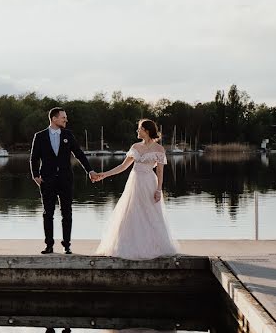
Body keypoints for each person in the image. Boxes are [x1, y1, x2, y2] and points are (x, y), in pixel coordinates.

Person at [92, 119, 179, 260]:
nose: (137, 131)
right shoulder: (135, 147)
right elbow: (123, 167)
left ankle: (153, 246)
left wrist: (158, 190)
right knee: (131, 212)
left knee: (150, 213)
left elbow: (160, 172)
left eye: (139, 129)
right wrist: (104, 175)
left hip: (149, 182)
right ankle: (128, 244)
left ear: (147, 131)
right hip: (134, 182)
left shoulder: (159, 149)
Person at [30, 108, 98, 254]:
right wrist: (35, 175)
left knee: (67, 213)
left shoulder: (68, 135)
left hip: (65, 180)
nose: (66, 120)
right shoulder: (40, 136)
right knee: (48, 213)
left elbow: (79, 154)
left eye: (65, 118)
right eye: (63, 118)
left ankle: (67, 245)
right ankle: (49, 245)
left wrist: (90, 170)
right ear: (54, 119)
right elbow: (34, 157)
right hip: (47, 180)